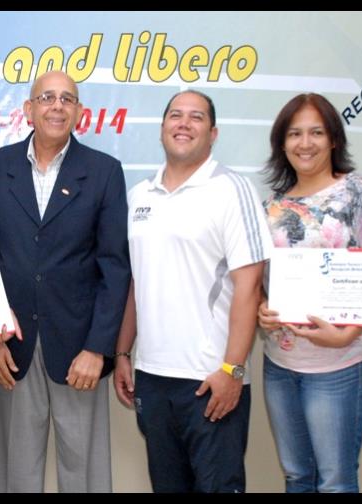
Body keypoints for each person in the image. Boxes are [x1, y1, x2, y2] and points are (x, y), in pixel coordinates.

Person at [113, 90, 271, 492]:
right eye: (175, 115)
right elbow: (137, 281)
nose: (184, 123)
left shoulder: (232, 189)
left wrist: (233, 369)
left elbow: (249, 286)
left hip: (210, 379)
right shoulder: (139, 196)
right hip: (152, 378)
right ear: (162, 127)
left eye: (196, 117)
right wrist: (122, 353)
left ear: (213, 132)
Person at [0, 70, 130, 493]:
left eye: (68, 99)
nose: (57, 105)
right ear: (28, 109)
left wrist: (98, 349)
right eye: (47, 97)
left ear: (79, 112)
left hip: (79, 350)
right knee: (15, 473)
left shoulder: (104, 171)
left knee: (85, 474)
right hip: (13, 348)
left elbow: (115, 268)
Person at [255, 93, 362, 492]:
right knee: (297, 475)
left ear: (334, 139)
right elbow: (263, 282)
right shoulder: (271, 206)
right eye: (295, 133)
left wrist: (346, 335)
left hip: (341, 364)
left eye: (316, 132)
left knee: (334, 481)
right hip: (280, 364)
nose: (305, 142)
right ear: (282, 143)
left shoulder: (360, 192)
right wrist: (263, 309)